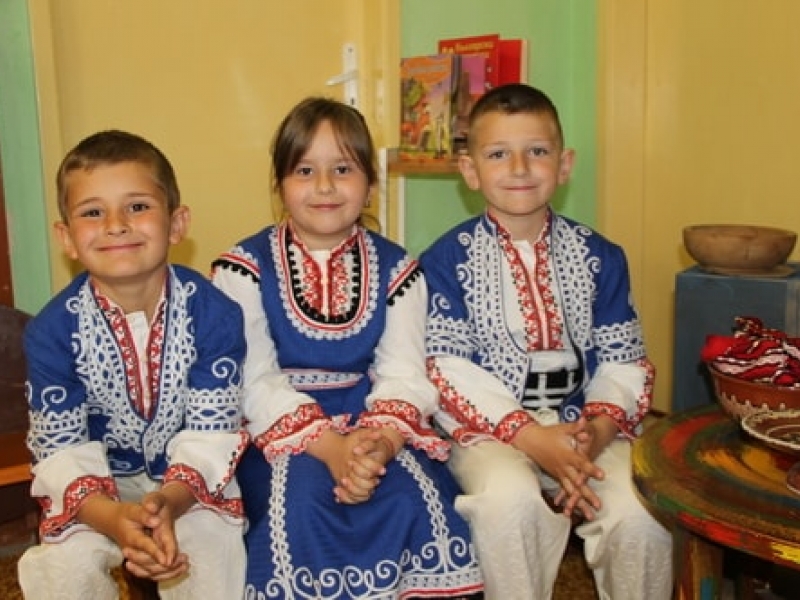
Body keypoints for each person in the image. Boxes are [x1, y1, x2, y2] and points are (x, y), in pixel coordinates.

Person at [211, 97, 484, 599]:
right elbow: (254, 381)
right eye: (304, 170)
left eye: (342, 169)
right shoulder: (242, 269)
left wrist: (380, 444)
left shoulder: (399, 269)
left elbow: (404, 373)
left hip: (372, 422)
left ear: (370, 185)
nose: (324, 186)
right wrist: (332, 449)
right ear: (279, 185)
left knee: (412, 496)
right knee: (299, 503)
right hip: (278, 432)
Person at [419, 83, 673, 600]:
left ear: (564, 164)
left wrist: (597, 432)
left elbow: (624, 360)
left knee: (640, 510)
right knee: (507, 501)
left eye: (537, 150)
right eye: (498, 154)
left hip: (586, 425)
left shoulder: (601, 256)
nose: (519, 167)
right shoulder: (445, 261)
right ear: (470, 170)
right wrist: (530, 437)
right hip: (487, 432)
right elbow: (447, 369)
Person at [17, 130, 248, 599]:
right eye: (92, 212)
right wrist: (113, 518)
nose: (116, 225)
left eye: (137, 206)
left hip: (187, 483)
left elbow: (211, 435)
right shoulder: (51, 332)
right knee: (66, 564)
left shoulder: (215, 314)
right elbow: (62, 451)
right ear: (66, 237)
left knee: (210, 543)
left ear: (177, 224)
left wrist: (168, 504)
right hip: (95, 493)